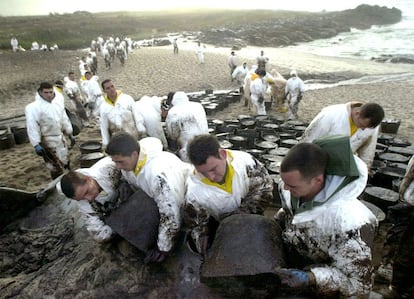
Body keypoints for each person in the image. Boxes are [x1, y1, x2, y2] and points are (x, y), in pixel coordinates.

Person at [274, 135, 378, 297]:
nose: (285, 188)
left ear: (317, 180)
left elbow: (358, 285)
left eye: (292, 185)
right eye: (284, 182)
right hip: (298, 255)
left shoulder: (348, 224)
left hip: (324, 278)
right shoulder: (289, 186)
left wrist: (311, 278)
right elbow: (288, 213)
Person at [105, 132, 192, 263]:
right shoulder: (133, 163)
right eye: (115, 162)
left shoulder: (157, 175)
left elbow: (171, 215)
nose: (118, 166)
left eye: (120, 162)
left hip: (188, 202)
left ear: (134, 154)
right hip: (165, 198)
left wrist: (163, 247)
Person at [184, 134, 274, 256]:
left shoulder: (246, 163)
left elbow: (265, 191)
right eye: (203, 173)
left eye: (213, 169)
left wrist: (238, 216)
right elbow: (197, 225)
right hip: (220, 228)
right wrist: (203, 238)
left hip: (252, 218)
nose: (211, 177)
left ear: (222, 154)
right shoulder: (193, 193)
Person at [300, 102, 385, 171]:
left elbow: (367, 151)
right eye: (362, 125)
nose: (363, 129)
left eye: (367, 128)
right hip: (318, 160)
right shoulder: (330, 115)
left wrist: (365, 170)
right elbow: (308, 139)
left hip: (343, 164)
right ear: (357, 113)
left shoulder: (371, 125)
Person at [59, 156, 122, 243]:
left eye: (86, 192)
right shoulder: (84, 202)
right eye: (81, 198)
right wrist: (118, 226)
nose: (89, 198)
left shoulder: (111, 168)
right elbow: (98, 233)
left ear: (89, 179)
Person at [25, 82, 75, 179]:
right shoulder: (33, 108)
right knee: (55, 166)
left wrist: (69, 133)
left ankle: (69, 181)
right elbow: (32, 125)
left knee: (65, 160)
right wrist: (36, 144)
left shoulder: (57, 105)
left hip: (60, 138)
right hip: (47, 141)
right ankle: (58, 185)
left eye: (51, 92)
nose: (49, 95)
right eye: (46, 92)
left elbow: (64, 119)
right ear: (40, 92)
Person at [100, 79, 146, 148]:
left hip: (133, 134)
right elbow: (104, 125)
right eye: (108, 88)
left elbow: (136, 114)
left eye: (112, 86)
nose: (111, 89)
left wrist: (141, 128)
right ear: (104, 91)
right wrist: (106, 142)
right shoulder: (103, 107)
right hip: (118, 139)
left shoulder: (127, 99)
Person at [165, 91, 209, 162]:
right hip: (206, 141)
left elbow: (173, 134)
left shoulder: (173, 112)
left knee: (190, 167)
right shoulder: (198, 106)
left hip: (188, 146)